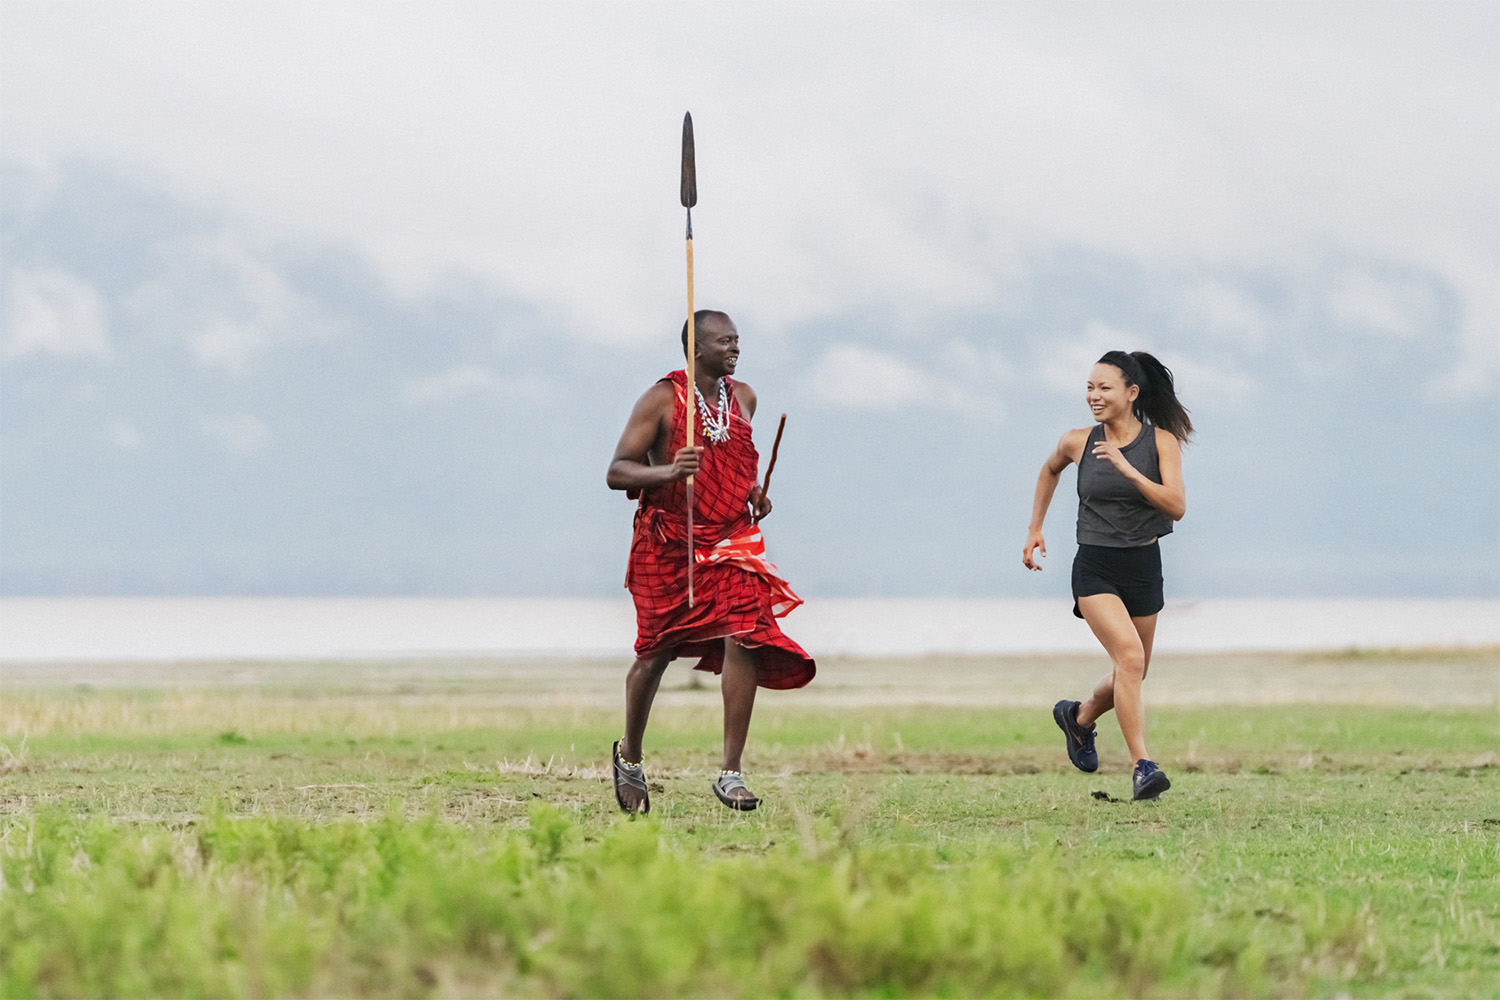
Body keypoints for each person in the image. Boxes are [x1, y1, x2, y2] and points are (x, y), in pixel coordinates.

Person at [605, 309, 815, 813]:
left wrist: (754, 494)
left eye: (737, 341)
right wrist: (671, 472)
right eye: (724, 342)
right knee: (654, 652)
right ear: (696, 349)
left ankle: (731, 772)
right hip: (668, 544)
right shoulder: (662, 399)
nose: (735, 349)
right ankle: (630, 757)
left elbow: (734, 467)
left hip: (730, 541)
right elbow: (617, 472)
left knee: (746, 631)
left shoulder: (744, 398)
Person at [1022, 350, 1192, 801]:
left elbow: (1176, 505)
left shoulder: (1161, 444)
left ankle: (1078, 718)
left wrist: (1126, 467)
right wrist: (1035, 527)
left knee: (1133, 670)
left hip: (1143, 566)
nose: (1093, 396)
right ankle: (1143, 766)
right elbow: (1049, 471)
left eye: (1104, 388)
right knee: (1130, 661)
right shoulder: (1077, 441)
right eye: (1089, 388)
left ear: (1131, 393)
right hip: (1095, 565)